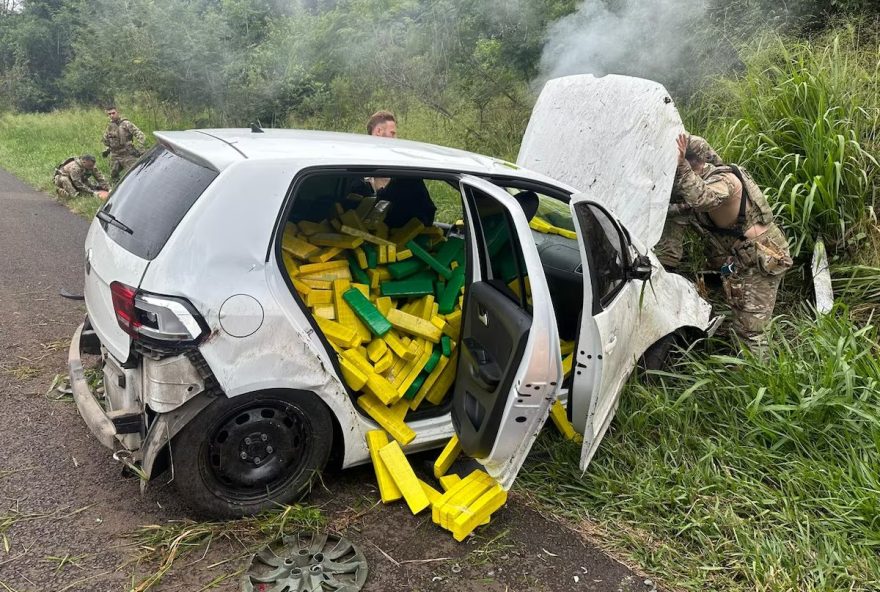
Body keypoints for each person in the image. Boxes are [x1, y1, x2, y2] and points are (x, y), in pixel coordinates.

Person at [671, 133, 792, 347]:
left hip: (761, 256)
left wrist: (681, 166)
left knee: (752, 332)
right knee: (743, 318)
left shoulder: (723, 180)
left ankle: (759, 377)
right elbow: (683, 205)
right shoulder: (710, 173)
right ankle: (747, 362)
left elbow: (701, 199)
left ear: (696, 165)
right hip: (747, 258)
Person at [353, 111, 436, 228]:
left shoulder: (403, 172)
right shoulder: (355, 168)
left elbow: (426, 212)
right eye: (392, 133)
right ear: (378, 132)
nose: (396, 139)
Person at [102, 106, 146, 183]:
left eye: (113, 113)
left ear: (118, 113)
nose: (111, 115)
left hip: (127, 153)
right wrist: (106, 149)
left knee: (135, 173)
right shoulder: (109, 126)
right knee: (113, 175)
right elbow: (105, 140)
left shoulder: (126, 124)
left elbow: (140, 135)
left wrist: (140, 148)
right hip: (115, 154)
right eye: (109, 114)